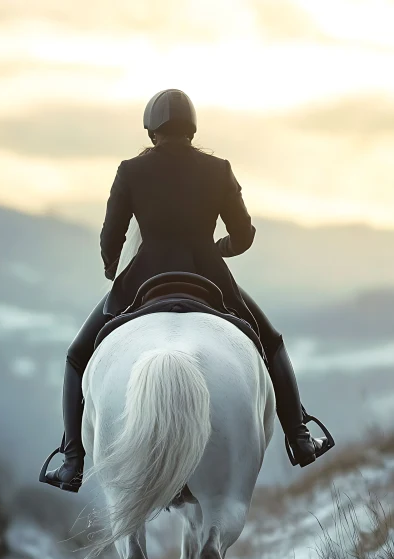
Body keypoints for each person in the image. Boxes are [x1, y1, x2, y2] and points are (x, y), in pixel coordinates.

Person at [40, 89, 331, 493]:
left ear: (150, 128)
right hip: (209, 277)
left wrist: (112, 269)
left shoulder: (130, 171)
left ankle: (73, 461)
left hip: (142, 278)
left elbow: (112, 234)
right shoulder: (219, 169)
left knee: (76, 357)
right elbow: (243, 235)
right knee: (273, 343)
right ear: (192, 128)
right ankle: (299, 438)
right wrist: (218, 250)